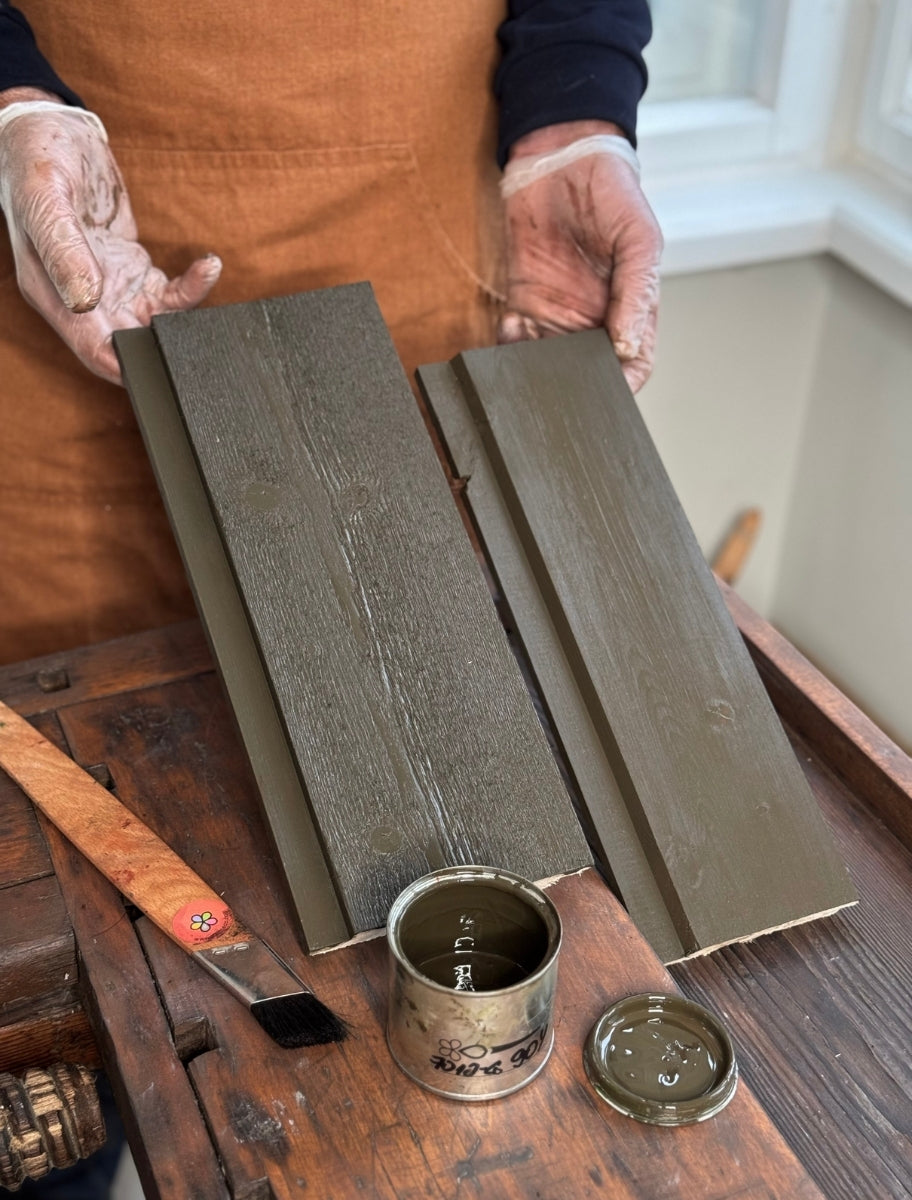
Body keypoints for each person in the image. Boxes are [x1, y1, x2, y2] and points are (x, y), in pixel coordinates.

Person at [0, 2, 661, 668]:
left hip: (415, 219)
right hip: (68, 224)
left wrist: (576, 109)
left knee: (421, 653)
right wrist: (13, 100)